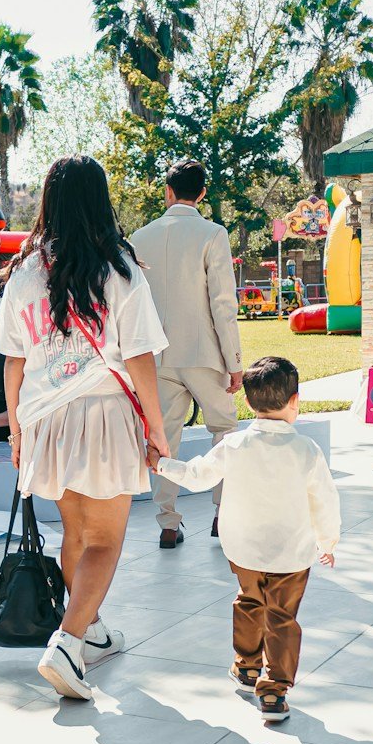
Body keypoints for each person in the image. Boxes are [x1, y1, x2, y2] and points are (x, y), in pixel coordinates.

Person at [0, 155, 173, 703]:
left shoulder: (25, 272)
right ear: (100, 201)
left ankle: (90, 631)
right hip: (103, 413)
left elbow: (12, 361)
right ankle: (68, 645)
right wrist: (158, 429)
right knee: (105, 539)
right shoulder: (120, 267)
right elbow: (139, 354)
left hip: (47, 418)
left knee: (76, 532)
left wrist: (18, 434)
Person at [152, 356, 339, 723]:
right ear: (295, 400)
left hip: (243, 551)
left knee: (249, 601)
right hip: (291, 555)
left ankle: (247, 666)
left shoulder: (233, 445)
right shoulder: (306, 451)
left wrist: (160, 464)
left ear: (249, 403)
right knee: (282, 617)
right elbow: (325, 501)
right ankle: (274, 692)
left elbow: (196, 476)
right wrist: (328, 542)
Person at [126, 158, 242, 549]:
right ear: (203, 193)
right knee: (224, 431)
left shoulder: (140, 237)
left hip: (155, 355)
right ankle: (221, 513)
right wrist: (235, 362)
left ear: (167, 190)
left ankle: (168, 523)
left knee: (165, 439)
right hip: (205, 351)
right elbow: (223, 304)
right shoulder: (213, 233)